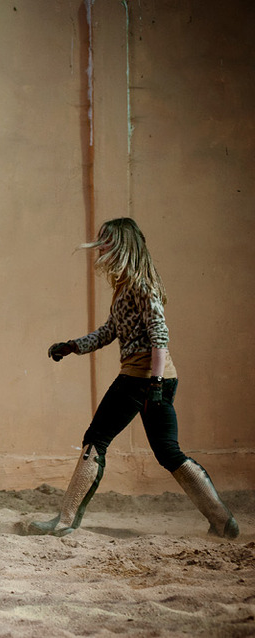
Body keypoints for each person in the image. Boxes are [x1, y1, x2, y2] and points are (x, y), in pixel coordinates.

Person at [29, 217, 238, 539]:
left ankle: (65, 520)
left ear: (125, 244)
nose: (101, 247)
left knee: (96, 440)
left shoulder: (141, 286)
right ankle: (222, 521)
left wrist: (154, 384)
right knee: (168, 452)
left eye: (107, 241)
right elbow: (111, 331)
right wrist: (73, 347)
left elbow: (159, 336)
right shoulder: (127, 285)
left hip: (142, 377)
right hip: (151, 378)